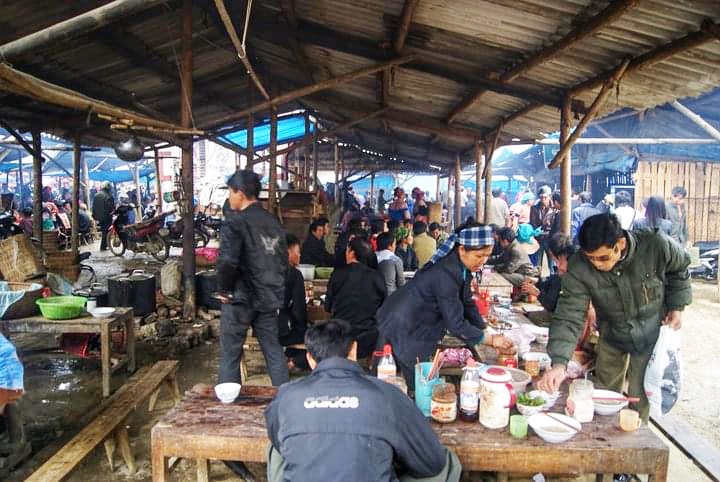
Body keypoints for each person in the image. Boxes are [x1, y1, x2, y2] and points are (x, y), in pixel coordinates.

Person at [264, 319, 461, 482]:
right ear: (354, 350)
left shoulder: (286, 396)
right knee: (447, 461)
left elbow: (279, 443)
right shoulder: (387, 394)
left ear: (309, 358)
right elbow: (431, 462)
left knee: (277, 450)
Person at [538, 213, 691, 421]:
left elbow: (680, 269)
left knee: (639, 398)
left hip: (650, 332)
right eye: (591, 258)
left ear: (620, 242)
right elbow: (569, 315)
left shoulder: (656, 245)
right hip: (611, 332)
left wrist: (677, 306)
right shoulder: (579, 266)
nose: (597, 265)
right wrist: (559, 363)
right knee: (603, 395)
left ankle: (636, 442)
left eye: (603, 257)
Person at [377, 222, 514, 390]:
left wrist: (484, 329)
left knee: (413, 375)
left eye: (487, 255)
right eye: (479, 256)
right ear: (462, 249)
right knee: (410, 380)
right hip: (403, 323)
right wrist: (491, 340)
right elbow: (455, 324)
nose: (483, 261)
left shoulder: (460, 268)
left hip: (413, 321)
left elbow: (467, 301)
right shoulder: (446, 274)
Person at [215, 170, 289, 387]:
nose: (229, 196)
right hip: (267, 298)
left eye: (230, 191)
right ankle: (283, 395)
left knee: (231, 354)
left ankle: (230, 408)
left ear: (240, 193)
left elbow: (228, 261)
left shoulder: (235, 222)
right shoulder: (273, 221)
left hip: (240, 298)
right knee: (273, 351)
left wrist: (224, 290)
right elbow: (282, 260)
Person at [325, 238, 386, 358]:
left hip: (340, 337)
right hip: (370, 338)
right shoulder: (376, 277)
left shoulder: (338, 274)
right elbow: (383, 307)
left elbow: (327, 307)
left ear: (351, 253)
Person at [280, 234, 308, 370]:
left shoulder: (264, 271)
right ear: (288, 252)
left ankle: (288, 356)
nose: (300, 255)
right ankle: (294, 362)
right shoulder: (294, 274)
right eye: (298, 252)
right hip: (281, 333)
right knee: (312, 334)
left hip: (262, 330)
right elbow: (299, 309)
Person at [92, 181, 114, 251]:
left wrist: (95, 216)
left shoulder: (96, 195)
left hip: (98, 217)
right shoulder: (108, 196)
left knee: (104, 231)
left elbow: (93, 207)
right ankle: (103, 246)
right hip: (107, 217)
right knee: (106, 232)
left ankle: (105, 245)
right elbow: (110, 208)